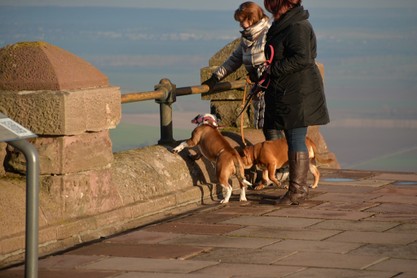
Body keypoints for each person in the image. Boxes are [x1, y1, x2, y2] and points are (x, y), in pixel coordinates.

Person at [262, 0, 330, 205]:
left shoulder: (297, 26)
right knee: (294, 138)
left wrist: (272, 70)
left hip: (297, 93)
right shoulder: (289, 23)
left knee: (295, 138)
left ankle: (297, 191)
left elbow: (303, 58)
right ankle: (296, 190)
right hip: (291, 90)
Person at [202, 1, 270, 129]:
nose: (239, 24)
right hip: (258, 90)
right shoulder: (247, 39)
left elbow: (276, 60)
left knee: (271, 129)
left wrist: (261, 72)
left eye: (241, 20)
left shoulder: (269, 34)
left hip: (271, 91)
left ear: (251, 18)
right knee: (261, 129)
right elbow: (233, 61)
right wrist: (215, 78)